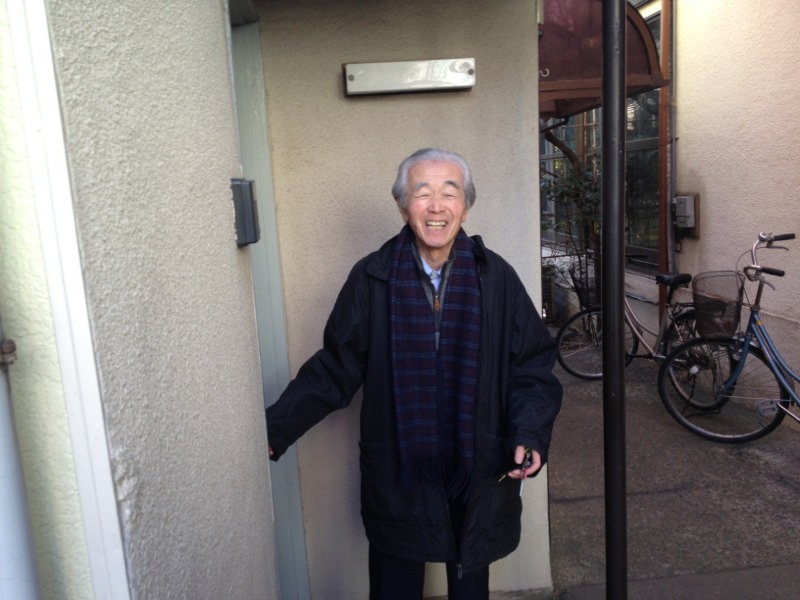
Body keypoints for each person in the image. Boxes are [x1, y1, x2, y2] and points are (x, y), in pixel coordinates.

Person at [266, 148, 562, 600]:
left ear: (466, 206)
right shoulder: (373, 277)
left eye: (450, 193)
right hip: (400, 465)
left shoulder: (495, 278)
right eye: (422, 193)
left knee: (468, 585)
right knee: (395, 584)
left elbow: (532, 364)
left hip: (476, 461)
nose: (436, 206)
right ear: (403, 206)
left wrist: (529, 433)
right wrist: (275, 428)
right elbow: (335, 366)